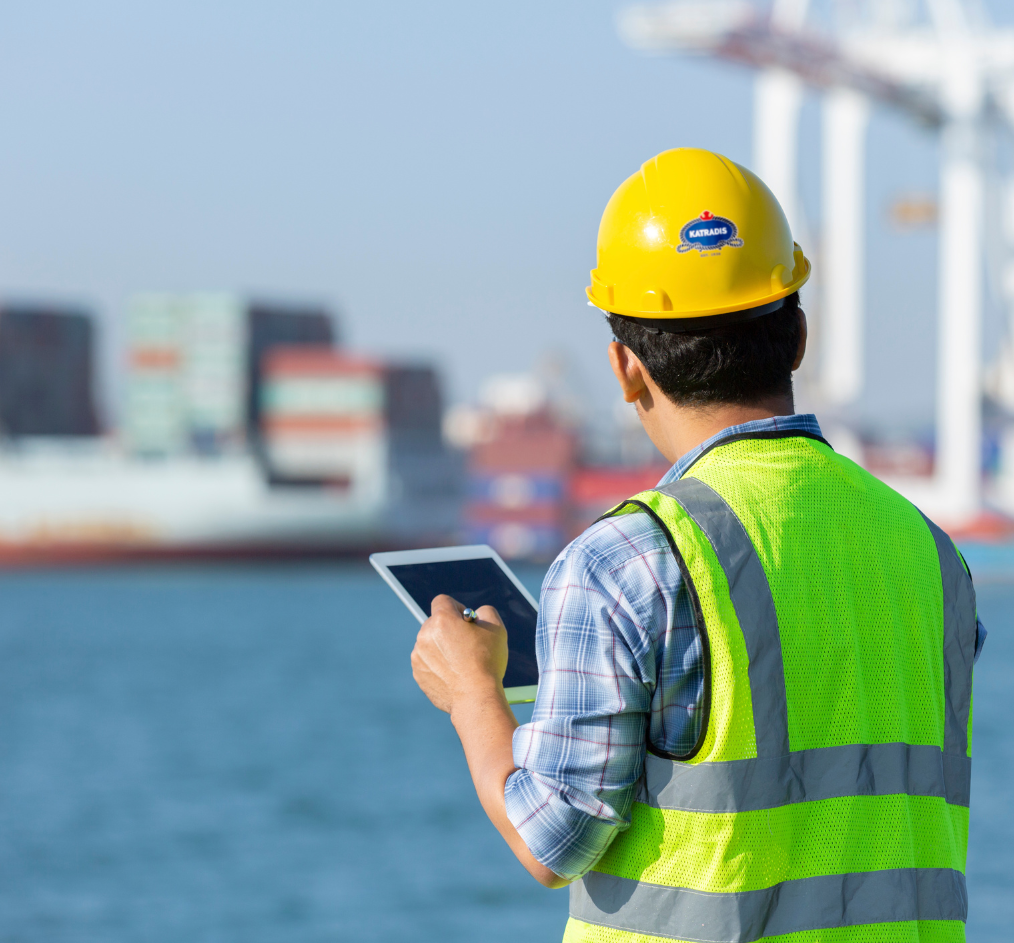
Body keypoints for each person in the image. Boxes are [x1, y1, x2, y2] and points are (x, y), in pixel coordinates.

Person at [411, 147, 985, 942]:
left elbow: (554, 841)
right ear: (799, 337)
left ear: (624, 367)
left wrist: (472, 694)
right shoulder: (931, 553)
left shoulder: (625, 559)